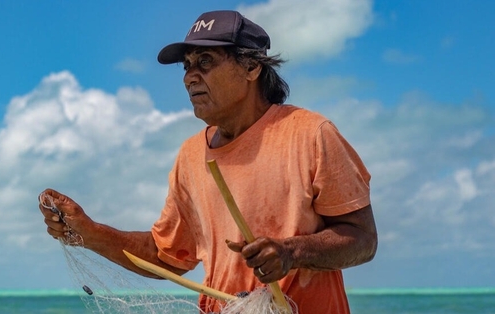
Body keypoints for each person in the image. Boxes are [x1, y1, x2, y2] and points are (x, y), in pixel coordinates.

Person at [40, 10, 377, 314]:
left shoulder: (311, 134)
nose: (189, 76)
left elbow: (362, 240)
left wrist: (291, 252)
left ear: (251, 67)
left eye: (205, 61)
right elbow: (163, 255)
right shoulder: (190, 155)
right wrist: (86, 230)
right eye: (186, 66)